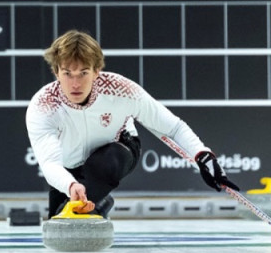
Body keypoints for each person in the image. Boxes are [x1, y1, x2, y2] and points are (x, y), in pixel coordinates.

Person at [26, 30, 239, 219]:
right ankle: (99, 203)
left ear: (96, 71)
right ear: (56, 72)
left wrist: (204, 156)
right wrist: (70, 185)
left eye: (83, 73)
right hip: (69, 166)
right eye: (67, 73)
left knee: (102, 170)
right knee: (58, 221)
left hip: (118, 149)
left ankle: (93, 199)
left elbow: (173, 127)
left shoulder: (122, 91)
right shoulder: (43, 106)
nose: (75, 83)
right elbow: (50, 164)